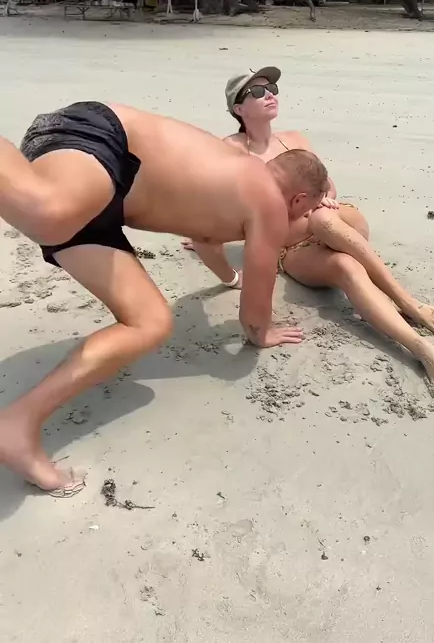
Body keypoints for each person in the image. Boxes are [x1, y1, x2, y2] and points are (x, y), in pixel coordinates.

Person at [0, 101, 328, 496]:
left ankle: (16, 424)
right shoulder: (269, 200)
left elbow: (207, 243)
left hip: (100, 207)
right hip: (101, 142)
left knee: (150, 322)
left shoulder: (232, 190)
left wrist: (229, 278)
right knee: (49, 213)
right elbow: (257, 307)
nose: (298, 221)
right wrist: (262, 333)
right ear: (298, 199)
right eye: (305, 213)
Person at [185, 67, 434, 395]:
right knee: (346, 267)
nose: (269, 94)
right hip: (294, 249)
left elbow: (327, 185)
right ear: (238, 109)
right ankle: (421, 349)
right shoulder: (230, 151)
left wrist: (325, 200)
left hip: (334, 220)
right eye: (257, 92)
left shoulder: (294, 139)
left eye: (271, 87)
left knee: (321, 219)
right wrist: (229, 273)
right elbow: (225, 212)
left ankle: (408, 303)